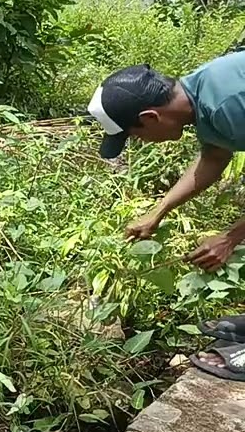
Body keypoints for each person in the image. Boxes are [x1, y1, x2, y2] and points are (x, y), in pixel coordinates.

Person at [88, 51, 245, 271]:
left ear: (150, 117)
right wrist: (159, 211)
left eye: (136, 136)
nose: (143, 142)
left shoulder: (227, 106)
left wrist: (231, 238)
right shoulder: (198, 95)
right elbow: (215, 156)